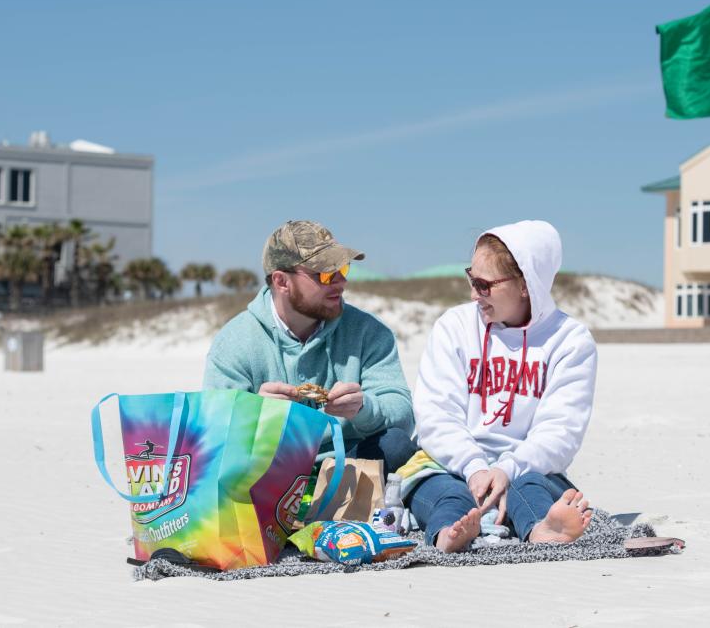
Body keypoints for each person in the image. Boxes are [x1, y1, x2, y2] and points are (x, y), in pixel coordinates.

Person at [409, 220, 598, 551]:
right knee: (439, 488)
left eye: (484, 285)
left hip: (527, 467)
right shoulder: (454, 326)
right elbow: (435, 413)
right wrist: (474, 468)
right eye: (471, 279)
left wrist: (507, 469)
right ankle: (448, 534)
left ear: (526, 284)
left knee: (530, 488)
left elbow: (561, 430)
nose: (473, 294)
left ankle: (542, 528)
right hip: (454, 464)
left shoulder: (570, 340)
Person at [203, 220, 416, 472]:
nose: (340, 282)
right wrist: (255, 415)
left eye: (343, 269)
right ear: (282, 281)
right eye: (325, 274)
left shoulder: (368, 331)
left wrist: (363, 408)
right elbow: (211, 434)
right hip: (269, 472)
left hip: (347, 466)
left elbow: (403, 415)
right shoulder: (235, 341)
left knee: (396, 445)